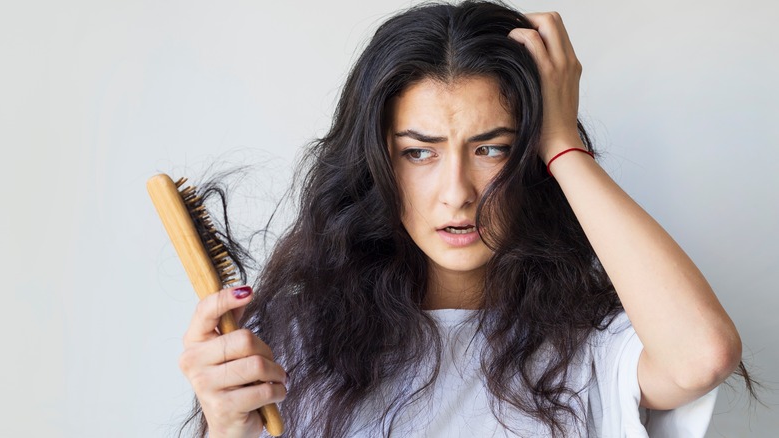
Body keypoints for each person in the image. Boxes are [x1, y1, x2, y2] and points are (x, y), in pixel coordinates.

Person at [176, 1, 747, 437]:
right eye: (419, 152)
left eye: (491, 148)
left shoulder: (593, 344)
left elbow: (704, 355)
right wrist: (229, 430)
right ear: (377, 161)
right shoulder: (291, 343)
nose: (457, 194)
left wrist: (562, 142)